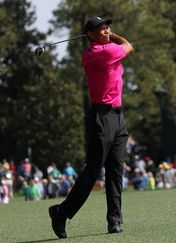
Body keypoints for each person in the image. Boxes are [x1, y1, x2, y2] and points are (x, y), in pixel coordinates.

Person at [49, 17, 134, 239]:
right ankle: (61, 213)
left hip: (117, 116)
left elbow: (122, 47)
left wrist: (107, 35)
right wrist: (114, 37)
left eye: (108, 28)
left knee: (116, 171)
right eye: (102, 30)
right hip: (101, 117)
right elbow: (129, 45)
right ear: (90, 35)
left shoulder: (105, 49)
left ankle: (114, 220)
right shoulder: (98, 54)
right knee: (93, 170)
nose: (107, 32)